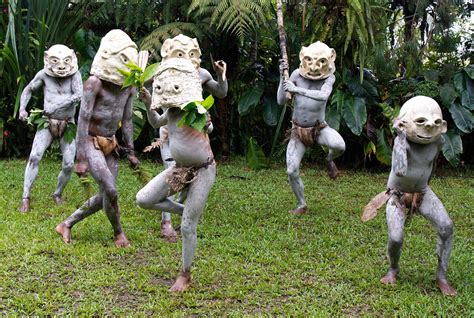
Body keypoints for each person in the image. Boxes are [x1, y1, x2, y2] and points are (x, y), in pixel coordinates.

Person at [137, 58, 216, 292]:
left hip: (203, 169)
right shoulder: (170, 111)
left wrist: (204, 118)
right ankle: (187, 211)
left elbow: (208, 127)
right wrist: (150, 102)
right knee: (144, 199)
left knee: (187, 228)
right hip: (179, 169)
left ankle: (185, 274)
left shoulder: (197, 108)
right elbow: (155, 122)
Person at [363, 96, 456, 296]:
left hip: (422, 191)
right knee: (396, 238)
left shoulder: (438, 140)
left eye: (436, 123)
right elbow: (400, 170)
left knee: (446, 227)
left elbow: (431, 167)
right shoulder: (401, 141)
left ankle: (442, 277)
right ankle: (393, 268)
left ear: (442, 126)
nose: (430, 126)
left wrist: (422, 188)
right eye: (421, 122)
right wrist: (401, 139)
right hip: (397, 194)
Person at [55, 30, 139, 247]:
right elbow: (82, 119)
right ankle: (119, 233)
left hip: (111, 142)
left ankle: (66, 224)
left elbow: (127, 120)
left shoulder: (129, 88)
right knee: (111, 190)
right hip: (91, 142)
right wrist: (81, 158)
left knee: (105, 194)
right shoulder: (94, 84)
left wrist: (131, 151)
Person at [148, 34, 227, 242]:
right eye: (180, 54)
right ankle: (167, 222)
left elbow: (221, 92)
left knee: (189, 177)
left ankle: (187, 210)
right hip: (169, 127)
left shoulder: (200, 73)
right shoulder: (162, 72)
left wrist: (221, 75)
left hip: (194, 127)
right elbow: (149, 89)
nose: (186, 59)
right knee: (171, 172)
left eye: (191, 54)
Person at [277, 41, 345, 215]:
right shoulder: (296, 75)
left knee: (339, 146)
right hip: (298, 131)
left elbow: (323, 96)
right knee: (291, 170)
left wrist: (297, 90)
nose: (314, 67)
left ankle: (329, 159)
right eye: (310, 61)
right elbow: (281, 100)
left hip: (319, 128)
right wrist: (282, 78)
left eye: (320, 62)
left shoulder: (330, 77)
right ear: (303, 59)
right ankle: (301, 204)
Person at [18, 44, 82, 212]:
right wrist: (22, 108)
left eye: (65, 61)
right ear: (48, 60)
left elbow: (78, 96)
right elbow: (29, 89)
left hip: (68, 123)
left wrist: (58, 106)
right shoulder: (43, 75)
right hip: (47, 122)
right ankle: (25, 197)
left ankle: (57, 193)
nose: (61, 66)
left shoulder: (75, 75)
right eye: (56, 62)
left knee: (68, 164)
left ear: (71, 59)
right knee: (34, 156)